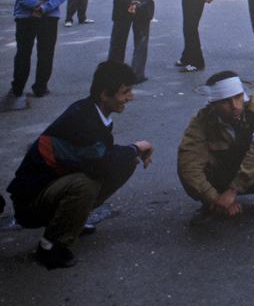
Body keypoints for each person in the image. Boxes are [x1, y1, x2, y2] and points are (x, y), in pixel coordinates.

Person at [6, 61, 152, 268]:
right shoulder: (83, 120)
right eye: (125, 92)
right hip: (30, 203)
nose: (131, 97)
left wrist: (132, 151)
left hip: (50, 187)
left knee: (126, 161)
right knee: (87, 182)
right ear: (104, 95)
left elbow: (102, 157)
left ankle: (73, 220)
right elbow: (99, 164)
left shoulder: (92, 111)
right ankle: (50, 246)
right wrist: (136, 147)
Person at [177, 71, 254, 224]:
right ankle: (211, 205)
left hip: (252, 175)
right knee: (188, 160)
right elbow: (188, 164)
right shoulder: (201, 121)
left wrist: (233, 190)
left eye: (238, 97)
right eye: (225, 102)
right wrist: (213, 197)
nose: (234, 106)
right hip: (221, 176)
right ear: (214, 105)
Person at [4, 0, 69, 110]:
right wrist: (46, 6)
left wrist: (33, 4)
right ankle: (40, 87)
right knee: (46, 52)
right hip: (49, 17)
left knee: (23, 52)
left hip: (25, 16)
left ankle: (17, 87)